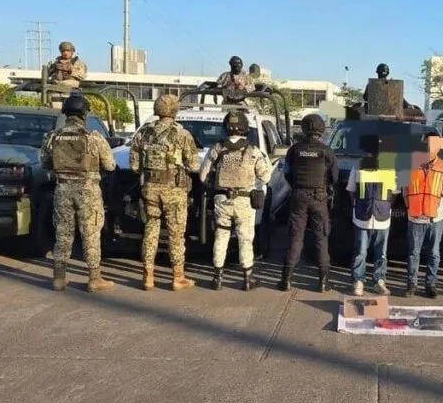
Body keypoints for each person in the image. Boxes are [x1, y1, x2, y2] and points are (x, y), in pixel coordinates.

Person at [39, 93, 116, 292]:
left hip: (63, 189)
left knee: (63, 233)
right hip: (88, 191)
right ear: (84, 114)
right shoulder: (93, 137)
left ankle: (59, 278)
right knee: (91, 233)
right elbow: (110, 165)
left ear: (65, 114)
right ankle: (94, 278)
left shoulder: (53, 136)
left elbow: (44, 163)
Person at [129, 94, 200, 291]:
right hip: (174, 191)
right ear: (175, 111)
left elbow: (134, 166)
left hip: (150, 189)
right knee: (176, 234)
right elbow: (194, 165)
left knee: (150, 231)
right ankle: (178, 277)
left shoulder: (143, 133)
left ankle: (148, 276)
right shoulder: (182, 134)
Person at [200, 110, 271, 291]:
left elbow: (203, 175)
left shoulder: (217, 148)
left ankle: (217, 278)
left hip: (222, 200)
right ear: (245, 128)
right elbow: (265, 176)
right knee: (245, 238)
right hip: (244, 201)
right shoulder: (253, 150)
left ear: (226, 127)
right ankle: (247, 279)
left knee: (221, 236)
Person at [281, 113, 339, 292]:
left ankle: (286, 280)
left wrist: (296, 186)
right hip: (319, 197)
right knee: (321, 237)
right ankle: (323, 282)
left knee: (296, 236)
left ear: (304, 128)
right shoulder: (327, 151)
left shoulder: (294, 150)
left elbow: (286, 172)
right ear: (321, 129)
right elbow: (334, 177)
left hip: (298, 196)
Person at [346, 137, 399, 296]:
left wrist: (383, 206)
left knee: (381, 253)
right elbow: (351, 191)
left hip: (382, 218)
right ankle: (358, 281)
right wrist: (360, 205)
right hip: (362, 217)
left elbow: (394, 194)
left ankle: (379, 281)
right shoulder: (358, 167)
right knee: (360, 252)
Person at [404, 132, 443, 298]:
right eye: (426, 143)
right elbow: (404, 188)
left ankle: (431, 284)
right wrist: (410, 205)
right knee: (413, 252)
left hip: (436, 217)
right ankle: (412, 283)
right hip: (415, 216)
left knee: (434, 253)